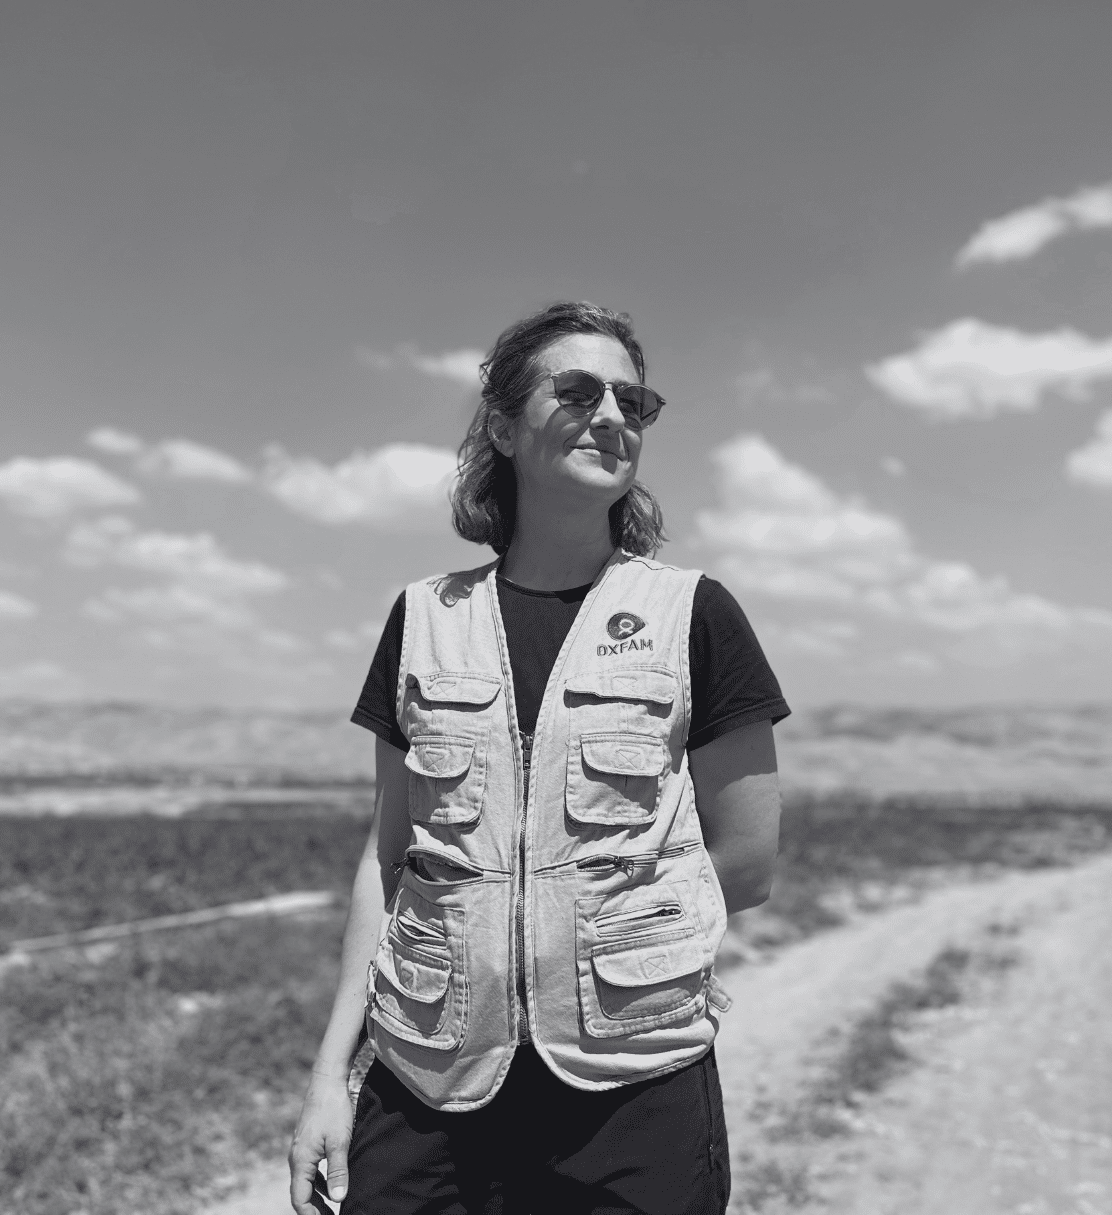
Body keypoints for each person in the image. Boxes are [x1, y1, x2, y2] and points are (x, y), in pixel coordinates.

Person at [289, 301, 788, 1214]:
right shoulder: (422, 619)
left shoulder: (694, 614)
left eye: (633, 402)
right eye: (577, 390)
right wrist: (332, 1075)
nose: (611, 415)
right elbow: (388, 856)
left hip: (631, 1091)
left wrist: (602, 950)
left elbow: (746, 863)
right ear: (503, 425)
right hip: (428, 1079)